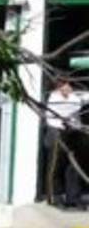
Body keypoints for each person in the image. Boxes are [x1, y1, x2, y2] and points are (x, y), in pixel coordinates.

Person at [44, 75, 89, 209]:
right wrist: (81, 97)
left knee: (73, 166)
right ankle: (54, 197)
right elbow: (73, 106)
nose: (68, 86)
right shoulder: (55, 98)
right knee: (55, 166)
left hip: (72, 133)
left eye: (69, 83)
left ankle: (73, 197)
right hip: (57, 133)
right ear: (58, 86)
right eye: (64, 84)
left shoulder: (74, 96)